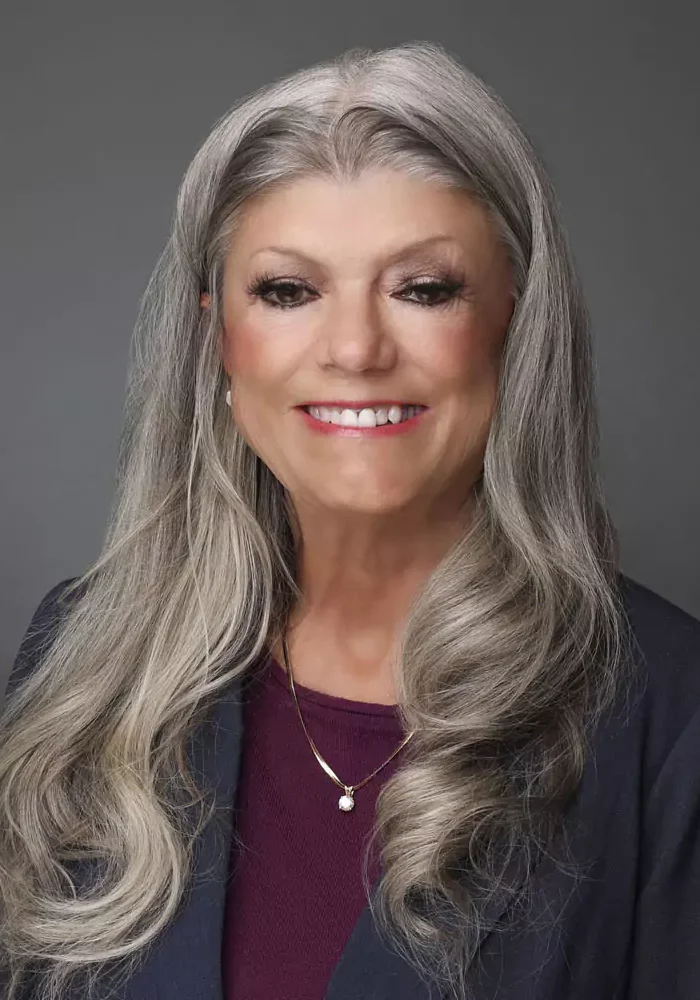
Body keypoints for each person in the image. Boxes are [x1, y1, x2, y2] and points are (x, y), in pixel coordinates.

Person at [1, 39, 699, 1000]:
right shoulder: (76, 657)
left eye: (424, 288)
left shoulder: (671, 715)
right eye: (288, 291)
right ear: (218, 339)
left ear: (515, 321)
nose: (356, 348)